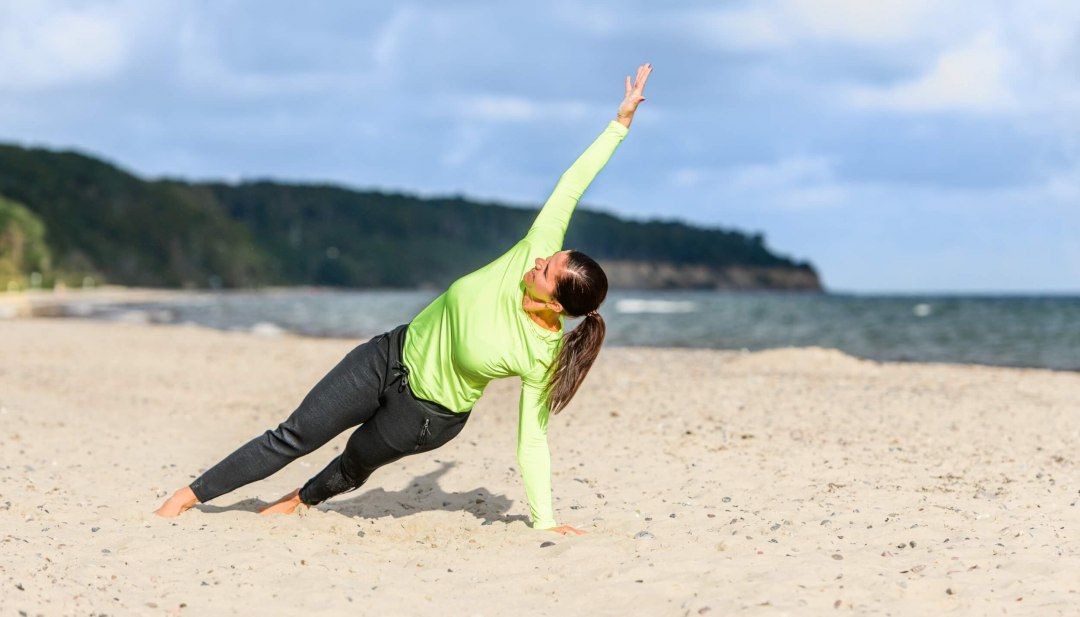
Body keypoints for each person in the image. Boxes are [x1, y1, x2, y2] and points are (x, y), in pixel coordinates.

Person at [154, 63, 653, 535]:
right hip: (388, 354)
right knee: (296, 434)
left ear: (556, 305)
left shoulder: (541, 354)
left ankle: (299, 500)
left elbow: (533, 438)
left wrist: (544, 522)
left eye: (547, 270)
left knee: (353, 462)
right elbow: (572, 185)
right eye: (549, 256)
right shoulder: (533, 248)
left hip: (426, 416)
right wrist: (620, 124)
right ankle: (187, 497)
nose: (539, 261)